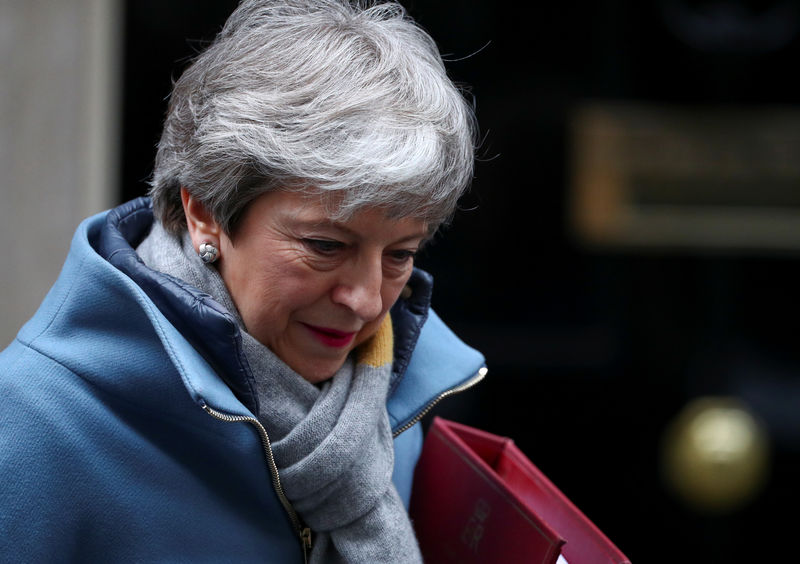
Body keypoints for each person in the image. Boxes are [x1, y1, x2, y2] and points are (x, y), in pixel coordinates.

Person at [0, 0, 486, 562]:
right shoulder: (32, 424)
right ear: (205, 212)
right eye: (325, 246)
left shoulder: (395, 409)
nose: (367, 300)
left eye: (401, 255)